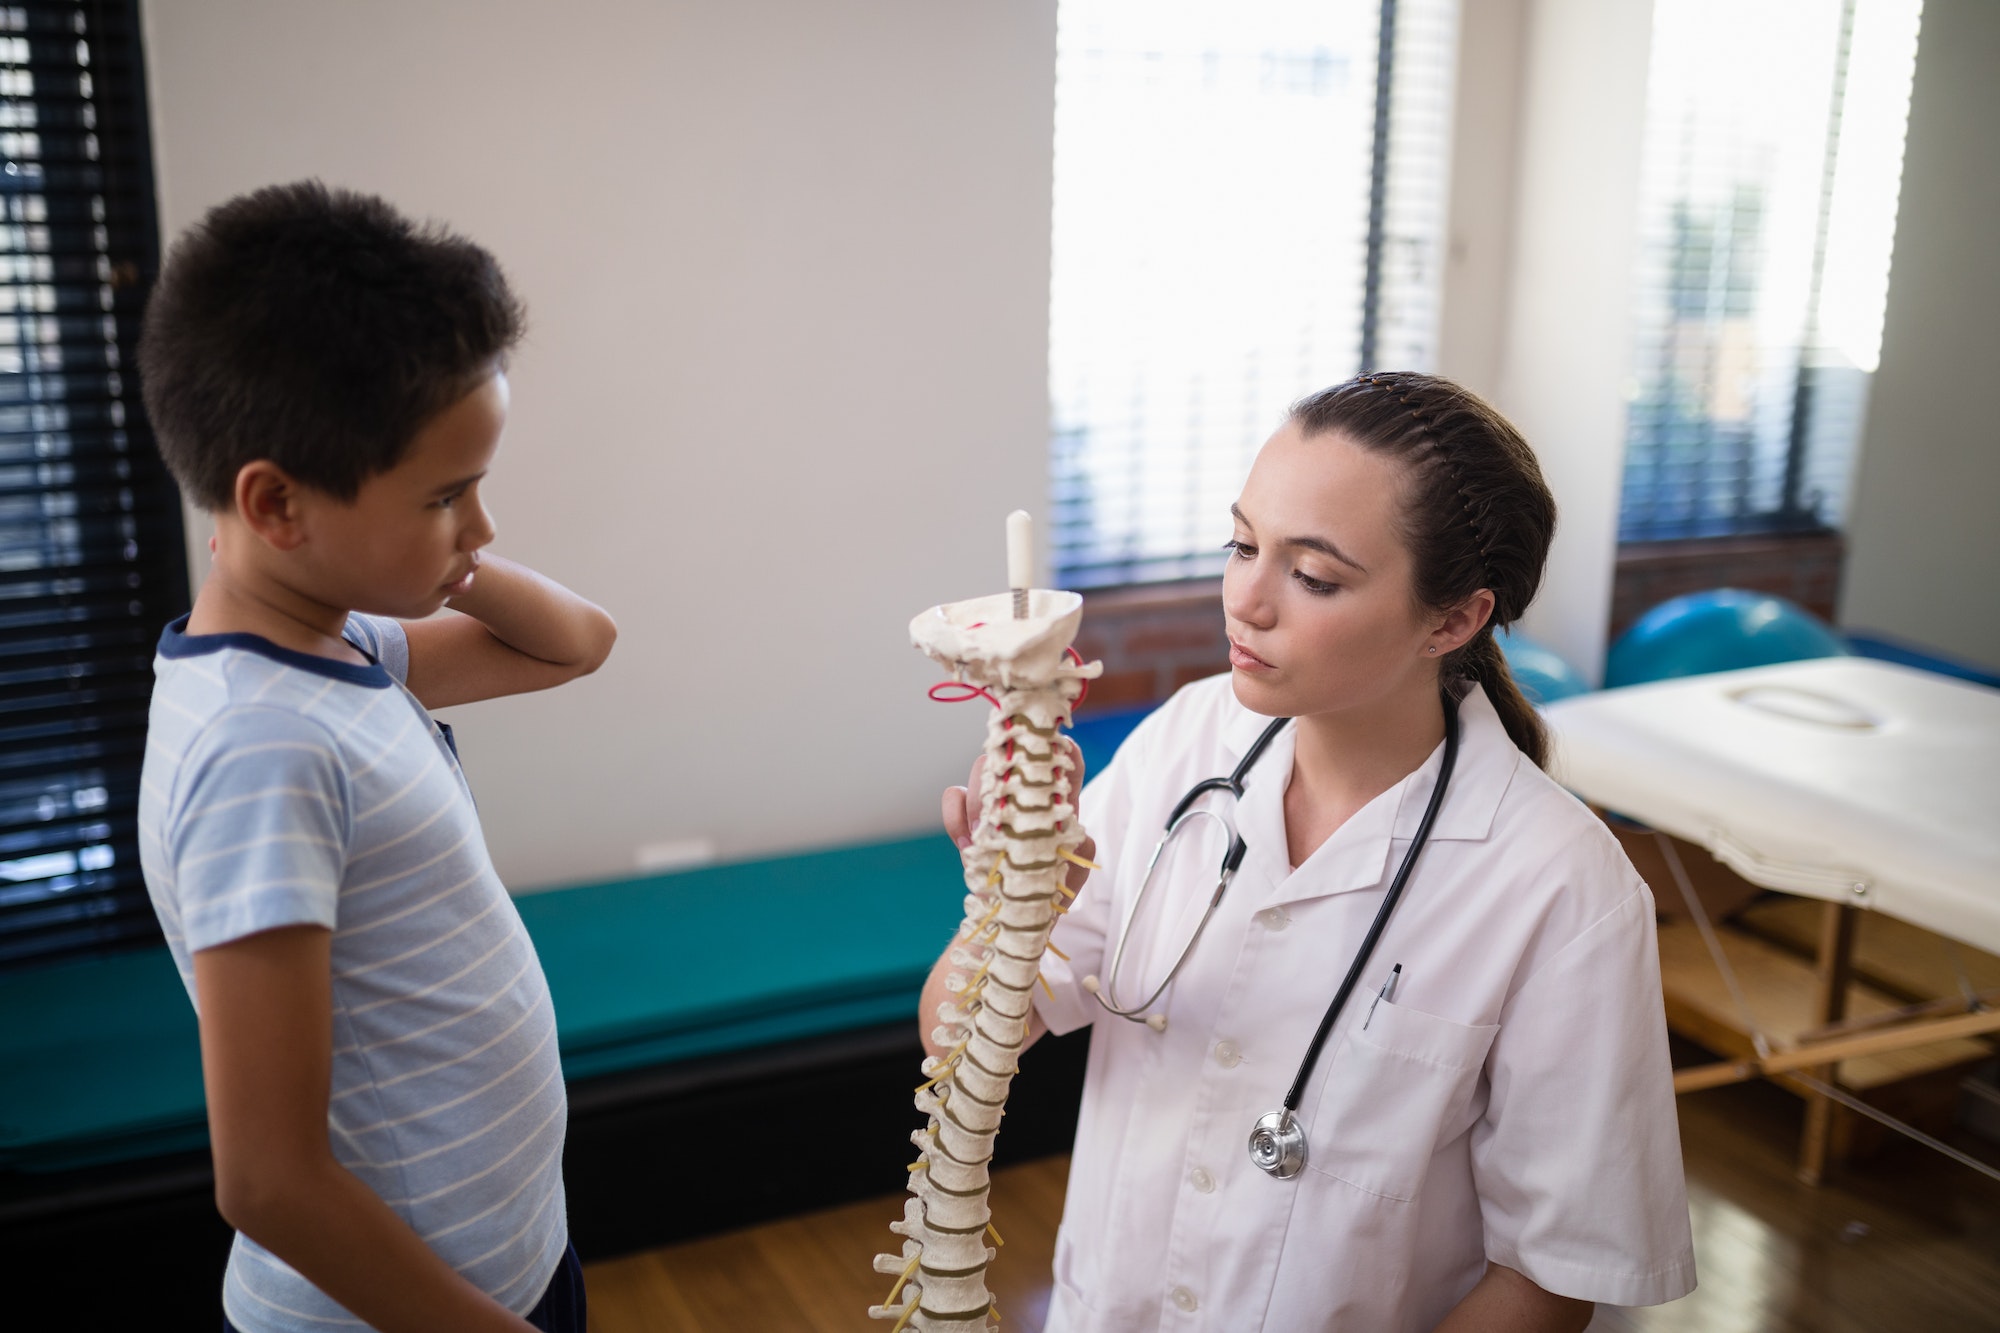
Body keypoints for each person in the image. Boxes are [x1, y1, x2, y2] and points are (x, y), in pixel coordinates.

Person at [927, 372, 1696, 1331]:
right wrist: (1010, 905)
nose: (1246, 601)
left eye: (1313, 576)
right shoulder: (1181, 745)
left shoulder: (1560, 885)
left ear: (1452, 620)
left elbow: (1550, 1274)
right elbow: (954, 1043)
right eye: (1242, 544)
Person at [136, 182, 616, 1333]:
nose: (481, 528)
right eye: (448, 495)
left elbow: (576, 645)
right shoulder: (262, 747)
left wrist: (445, 549)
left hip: (506, 1253)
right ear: (276, 504)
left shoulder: (337, 636)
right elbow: (266, 1179)